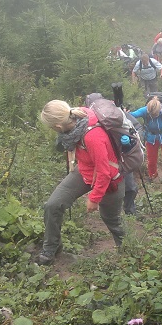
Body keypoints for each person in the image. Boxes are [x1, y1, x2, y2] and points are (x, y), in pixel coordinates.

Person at [37, 100, 125, 265]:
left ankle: (129, 252)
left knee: (112, 219)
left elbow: (104, 172)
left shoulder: (92, 136)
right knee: (53, 205)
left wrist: (94, 198)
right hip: (84, 171)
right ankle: (51, 249)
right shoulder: (76, 117)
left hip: (109, 177)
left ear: (57, 127)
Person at [130, 96, 162, 182]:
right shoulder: (145, 110)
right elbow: (132, 115)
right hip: (151, 137)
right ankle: (153, 175)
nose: (154, 117)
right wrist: (124, 112)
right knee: (151, 161)